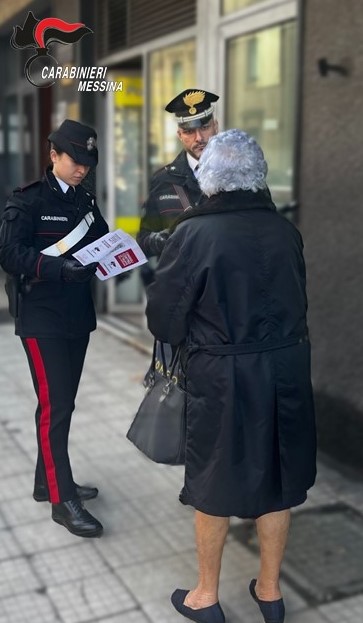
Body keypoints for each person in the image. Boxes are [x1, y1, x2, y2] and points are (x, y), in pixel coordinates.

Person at [145, 129, 317, 623]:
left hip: (222, 373)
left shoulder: (194, 234)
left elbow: (164, 319)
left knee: (213, 479)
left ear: (212, 182)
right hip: (285, 367)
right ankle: (269, 591)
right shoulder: (286, 231)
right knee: (278, 478)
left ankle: (205, 597)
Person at [0, 119, 109, 538]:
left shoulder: (85, 199)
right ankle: (62, 502)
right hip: (40, 318)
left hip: (76, 316)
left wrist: (121, 253)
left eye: (88, 161)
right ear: (53, 154)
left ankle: (47, 481)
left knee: (62, 404)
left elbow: (99, 240)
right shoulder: (26, 201)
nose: (82, 168)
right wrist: (58, 267)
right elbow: (9, 254)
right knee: (55, 406)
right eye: (75, 159)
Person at [137, 88, 219, 267]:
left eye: (204, 127)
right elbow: (144, 240)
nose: (199, 138)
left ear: (216, 126)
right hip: (180, 286)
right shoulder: (163, 180)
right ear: (180, 136)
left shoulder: (240, 175)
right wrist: (161, 240)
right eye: (190, 132)